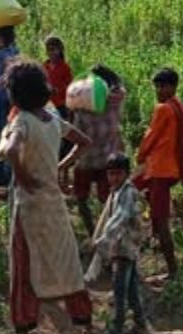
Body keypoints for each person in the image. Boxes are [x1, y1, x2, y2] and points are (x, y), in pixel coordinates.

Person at [0, 59, 94, 334]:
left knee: (23, 271)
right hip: (54, 205)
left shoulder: (22, 121)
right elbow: (83, 142)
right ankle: (87, 329)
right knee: (68, 266)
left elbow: (9, 151)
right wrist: (60, 167)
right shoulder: (52, 118)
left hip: (30, 208)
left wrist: (22, 176)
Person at [136, 67, 183, 280]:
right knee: (153, 211)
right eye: (157, 86)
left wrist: (140, 155)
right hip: (172, 170)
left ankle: (172, 270)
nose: (159, 90)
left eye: (162, 86)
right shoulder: (182, 108)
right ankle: (155, 246)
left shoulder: (163, 109)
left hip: (159, 170)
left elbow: (150, 137)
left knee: (161, 219)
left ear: (173, 87)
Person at [87, 153, 150, 334]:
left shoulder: (127, 193)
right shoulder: (117, 192)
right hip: (121, 246)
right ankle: (141, 324)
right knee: (130, 290)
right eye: (110, 174)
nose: (113, 178)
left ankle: (117, 327)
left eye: (118, 174)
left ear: (126, 174)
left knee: (119, 289)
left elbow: (120, 219)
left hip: (124, 246)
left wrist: (103, 241)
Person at [71, 64, 126, 235]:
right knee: (107, 200)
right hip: (107, 160)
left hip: (85, 160)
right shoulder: (115, 102)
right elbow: (120, 88)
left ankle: (92, 232)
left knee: (81, 198)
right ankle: (107, 233)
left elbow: (76, 136)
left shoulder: (81, 109)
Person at [0, 25, 20, 187]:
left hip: (0, 101)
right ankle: (11, 174)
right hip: (14, 99)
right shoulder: (17, 52)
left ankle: (0, 175)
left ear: (1, 38)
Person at [42, 36, 73, 160]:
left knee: (61, 136)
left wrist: (58, 90)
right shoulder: (45, 66)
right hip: (46, 105)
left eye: (53, 49)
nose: (51, 52)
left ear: (60, 50)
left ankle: (61, 161)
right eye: (48, 49)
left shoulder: (65, 67)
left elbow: (69, 87)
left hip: (60, 106)